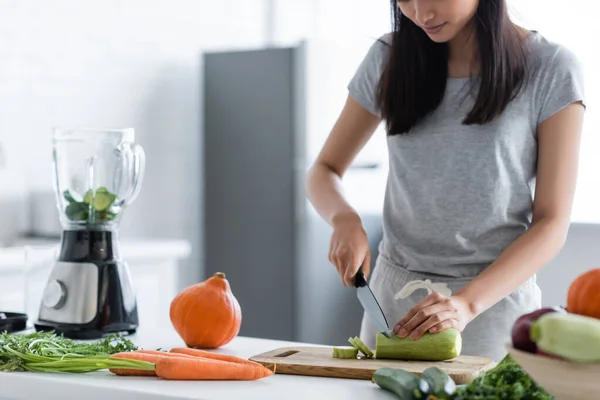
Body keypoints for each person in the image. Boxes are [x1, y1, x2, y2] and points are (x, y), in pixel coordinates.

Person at [305, 0, 585, 362]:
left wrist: (466, 304)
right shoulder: (389, 58)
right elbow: (324, 169)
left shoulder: (552, 68)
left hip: (491, 316)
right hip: (392, 314)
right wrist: (344, 219)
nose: (421, 15)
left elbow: (552, 222)